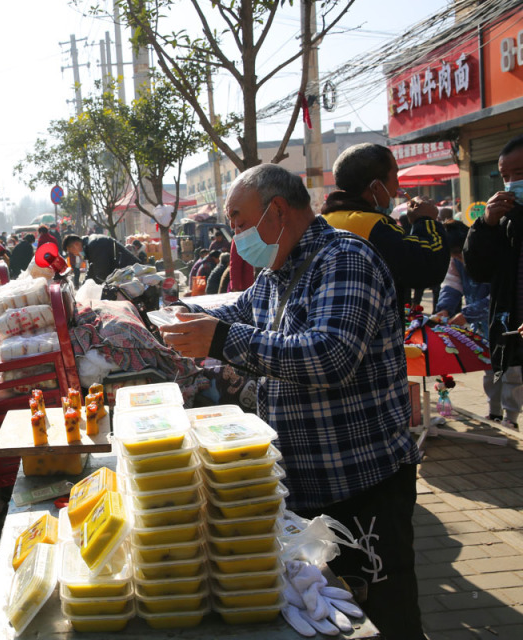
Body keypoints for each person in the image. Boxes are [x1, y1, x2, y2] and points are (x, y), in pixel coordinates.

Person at [160, 164, 424, 639]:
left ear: (277, 211)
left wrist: (220, 340)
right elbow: (239, 311)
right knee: (328, 612)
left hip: (362, 483)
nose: (235, 236)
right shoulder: (278, 270)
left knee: (386, 616)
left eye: (239, 222)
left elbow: (332, 355)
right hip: (307, 483)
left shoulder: (344, 259)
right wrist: (173, 316)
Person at [321, 142, 449, 320]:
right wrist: (425, 219)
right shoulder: (372, 226)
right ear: (376, 187)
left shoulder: (325, 220)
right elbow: (428, 267)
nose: (397, 187)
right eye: (395, 175)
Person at [432, 221, 519, 427]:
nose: (460, 260)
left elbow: (499, 296)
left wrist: (468, 314)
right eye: (455, 257)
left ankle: (511, 418)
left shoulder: (494, 256)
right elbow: (452, 284)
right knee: (490, 370)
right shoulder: (456, 261)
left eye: (460, 255)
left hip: (506, 322)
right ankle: (495, 412)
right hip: (482, 327)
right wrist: (445, 307)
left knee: (512, 371)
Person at [464, 133, 523, 430]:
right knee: (505, 372)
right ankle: (505, 417)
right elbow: (478, 270)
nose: (511, 182)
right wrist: (484, 226)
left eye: (519, 174)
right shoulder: (502, 220)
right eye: (504, 175)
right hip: (511, 324)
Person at [62, 233, 140, 285]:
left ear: (76, 244)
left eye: (72, 251)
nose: (74, 254)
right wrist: (85, 285)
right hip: (125, 273)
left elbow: (102, 273)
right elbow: (93, 270)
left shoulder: (94, 245)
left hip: (132, 272)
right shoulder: (90, 245)